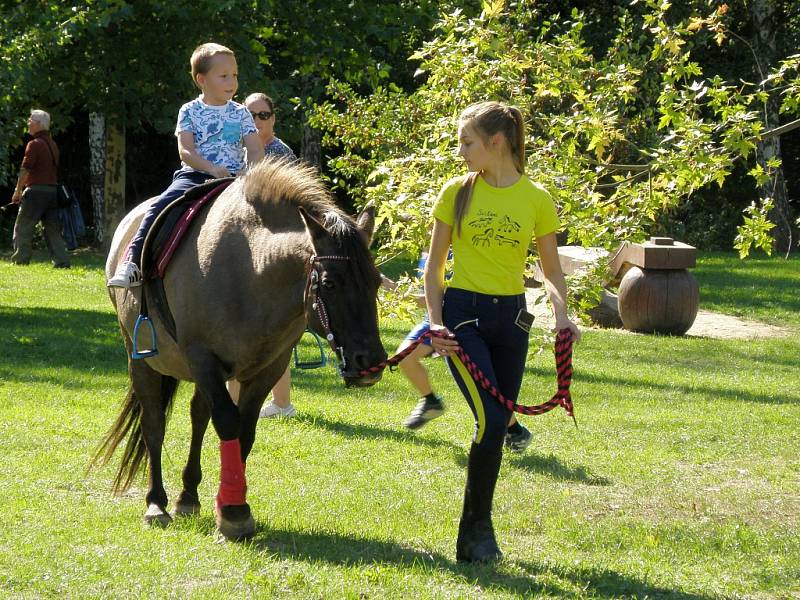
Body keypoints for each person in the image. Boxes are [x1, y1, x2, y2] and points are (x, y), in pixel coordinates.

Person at [424, 101, 580, 563]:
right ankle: (477, 534)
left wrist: (562, 314)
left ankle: (477, 532)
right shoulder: (457, 192)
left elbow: (551, 270)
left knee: (495, 426)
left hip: (512, 322)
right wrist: (435, 322)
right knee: (492, 421)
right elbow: (433, 270)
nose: (461, 151)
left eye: (466, 142)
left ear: (496, 143)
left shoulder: (536, 198)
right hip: (463, 318)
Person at [108, 42, 264, 287]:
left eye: (234, 75)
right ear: (201, 80)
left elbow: (255, 149)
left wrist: (250, 171)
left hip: (236, 179)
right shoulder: (189, 111)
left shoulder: (241, 113)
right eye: (223, 76)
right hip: (195, 176)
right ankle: (133, 262)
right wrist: (211, 169)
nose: (232, 82)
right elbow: (186, 151)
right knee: (160, 207)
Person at [399, 250, 534, 453]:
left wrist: (389, 288)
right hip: (433, 321)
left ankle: (514, 431)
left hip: (453, 320)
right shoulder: (428, 253)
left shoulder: (457, 253)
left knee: (487, 389)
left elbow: (438, 297)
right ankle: (431, 401)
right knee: (406, 358)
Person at [235, 92, 297, 419]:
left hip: (269, 245)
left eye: (264, 114)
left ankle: (282, 403)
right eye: (252, 115)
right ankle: (234, 401)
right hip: (240, 244)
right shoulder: (236, 150)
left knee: (276, 335)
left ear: (273, 118)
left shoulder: (280, 154)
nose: (259, 120)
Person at [9, 109, 71, 268]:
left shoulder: (34, 144)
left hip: (35, 192)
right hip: (52, 192)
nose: (28, 123)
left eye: (30, 120)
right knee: (52, 230)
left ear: (39, 124)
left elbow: (25, 169)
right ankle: (62, 262)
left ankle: (20, 260)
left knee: (23, 227)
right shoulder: (53, 144)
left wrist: (17, 191)